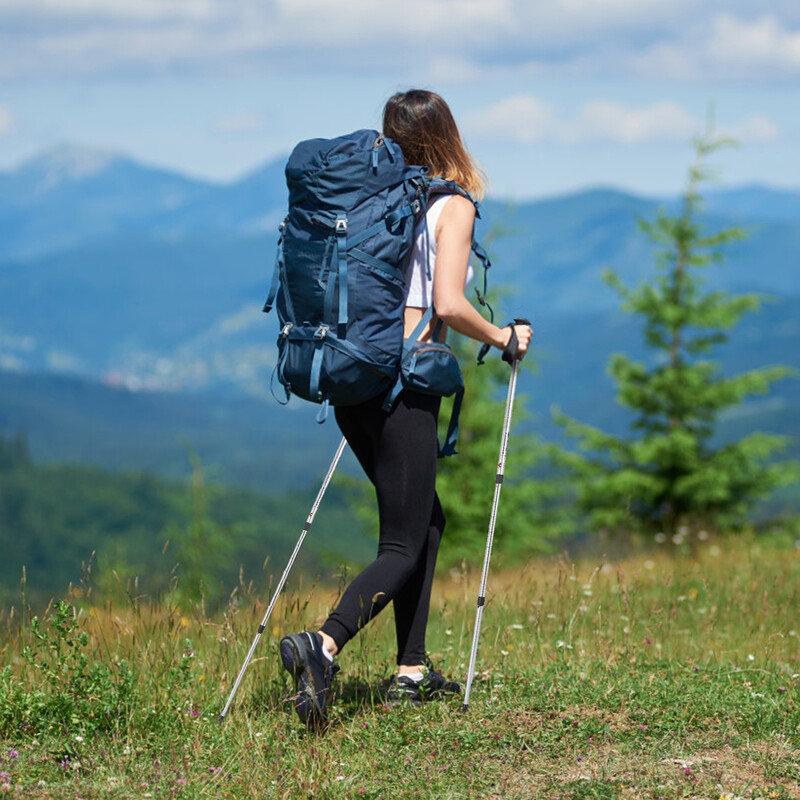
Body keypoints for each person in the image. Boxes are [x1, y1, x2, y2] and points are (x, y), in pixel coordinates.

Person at [279, 89, 532, 728]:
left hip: (353, 385)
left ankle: (411, 669)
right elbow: (447, 304)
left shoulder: (375, 202)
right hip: (404, 388)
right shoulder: (451, 205)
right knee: (402, 541)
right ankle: (323, 645)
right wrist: (505, 337)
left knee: (426, 522)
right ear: (448, 134)